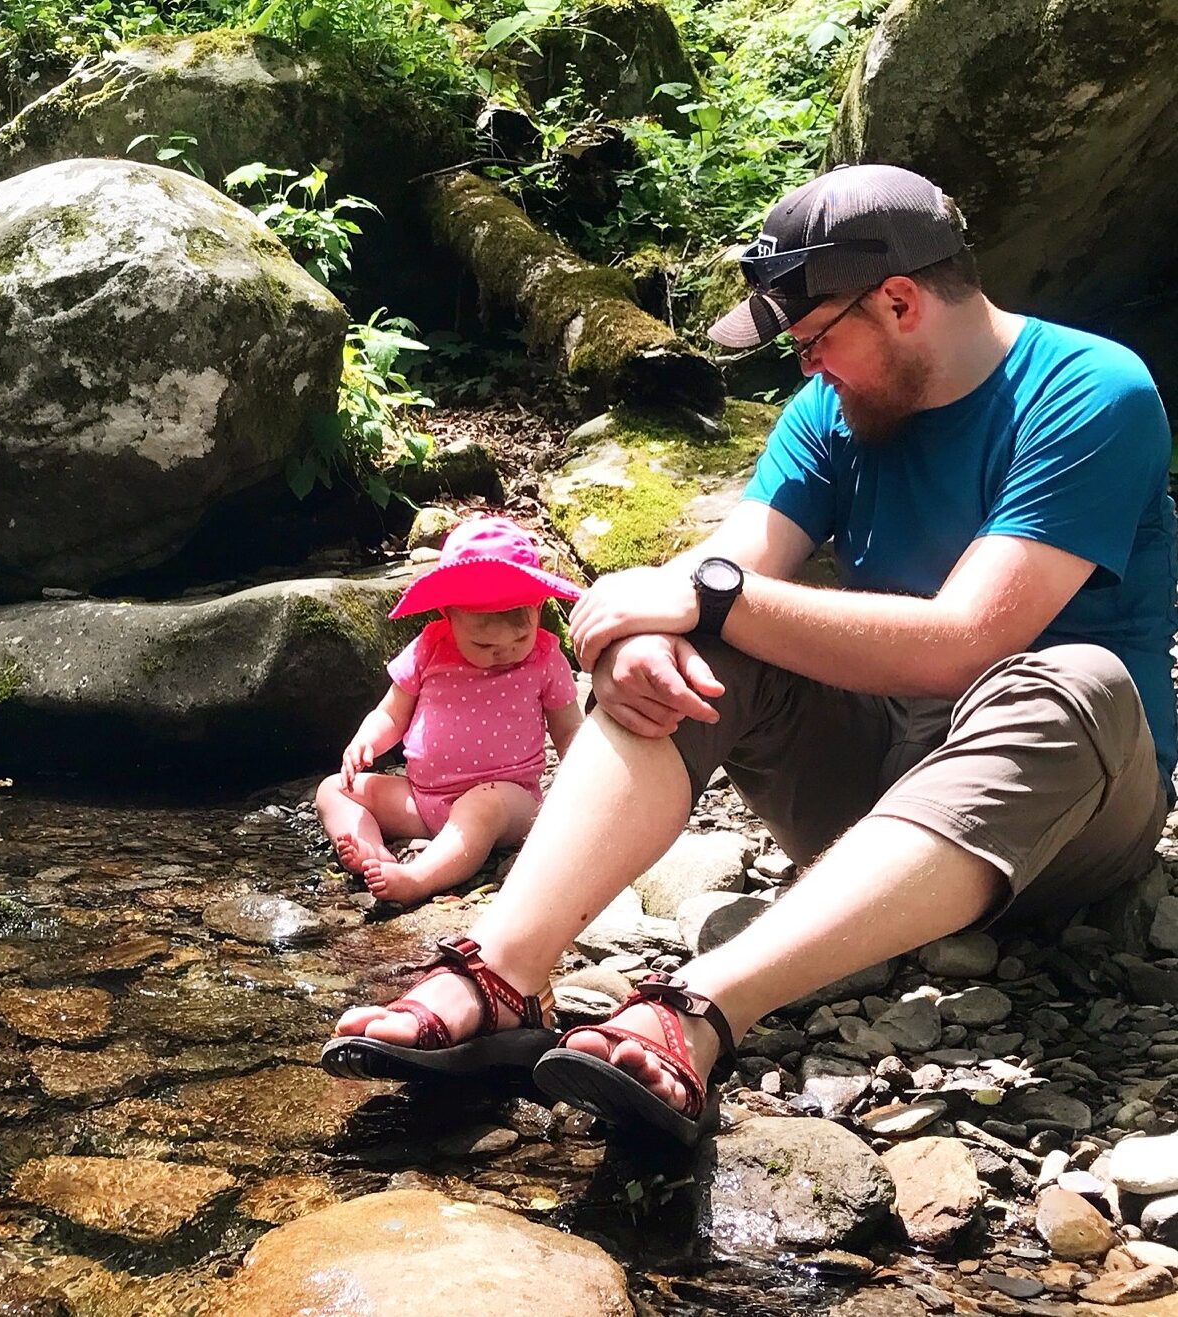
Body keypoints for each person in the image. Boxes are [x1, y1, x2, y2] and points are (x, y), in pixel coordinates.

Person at [322, 163, 1177, 1146]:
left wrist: (706, 599)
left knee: (1072, 675)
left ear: (899, 301)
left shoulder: (1090, 393)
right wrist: (644, 636)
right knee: (700, 639)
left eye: (812, 341)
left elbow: (966, 641)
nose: (806, 371)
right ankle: (502, 973)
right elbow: (720, 571)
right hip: (875, 800)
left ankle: (701, 1008)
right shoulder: (832, 415)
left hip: (1068, 814)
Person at [315, 515, 584, 906]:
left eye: (520, 637)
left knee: (481, 805)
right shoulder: (430, 646)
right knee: (334, 790)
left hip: (507, 800)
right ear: (448, 615)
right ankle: (370, 849)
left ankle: (418, 878)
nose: (504, 653)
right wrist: (365, 741)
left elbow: (569, 730)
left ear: (539, 607)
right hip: (424, 799)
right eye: (483, 645)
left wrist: (578, 787)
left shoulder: (544, 657)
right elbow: (391, 714)